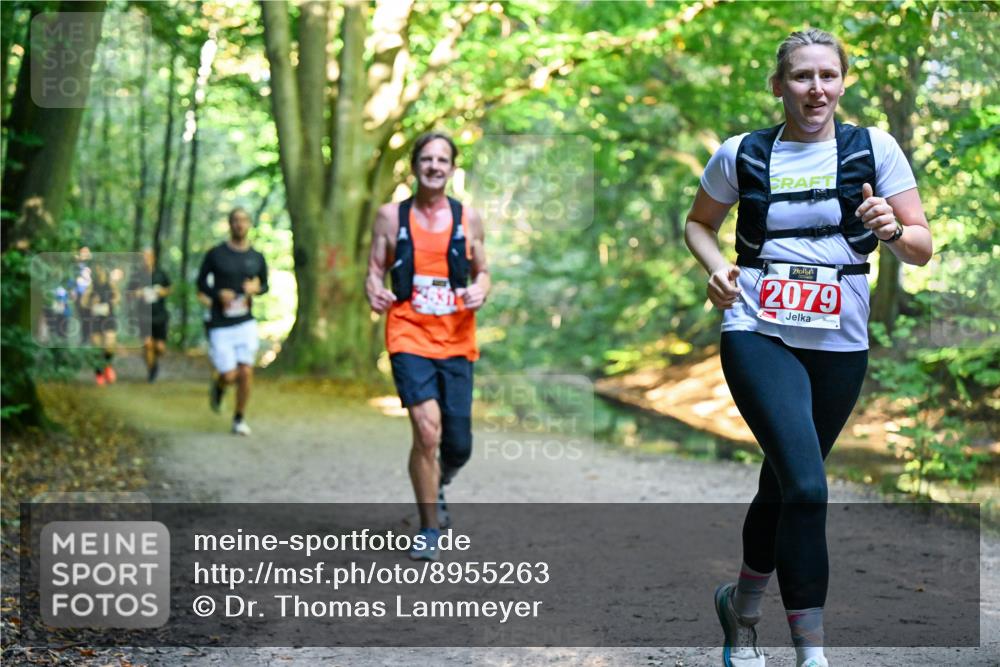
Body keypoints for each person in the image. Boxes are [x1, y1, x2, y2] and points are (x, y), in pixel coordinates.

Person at [683, 28, 932, 667]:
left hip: (839, 338)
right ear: (779, 86)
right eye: (801, 76)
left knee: (788, 483)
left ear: (843, 82)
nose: (815, 88)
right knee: (810, 487)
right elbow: (699, 222)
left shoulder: (876, 149)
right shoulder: (741, 153)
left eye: (827, 75)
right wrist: (716, 268)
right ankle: (812, 654)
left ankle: (739, 613)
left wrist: (894, 227)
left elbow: (921, 246)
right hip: (758, 326)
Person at [366, 132, 490, 561]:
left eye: (442, 159)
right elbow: (374, 271)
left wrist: (480, 290)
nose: (434, 165)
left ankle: (438, 480)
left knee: (458, 445)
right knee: (426, 430)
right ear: (415, 165)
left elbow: (483, 271)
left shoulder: (468, 218)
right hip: (408, 333)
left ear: (452, 168)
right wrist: (374, 291)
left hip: (457, 339)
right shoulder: (390, 216)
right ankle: (430, 528)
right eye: (426, 158)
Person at [196, 207, 269, 435]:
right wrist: (218, 294)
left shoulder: (256, 257)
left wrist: (257, 289)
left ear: (249, 224)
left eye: (244, 220)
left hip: (245, 322)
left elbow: (265, 285)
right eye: (235, 221)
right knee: (229, 375)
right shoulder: (216, 254)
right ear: (229, 224)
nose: (240, 224)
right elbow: (200, 283)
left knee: (246, 371)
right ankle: (219, 385)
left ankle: (239, 418)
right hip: (220, 324)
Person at [128, 248, 172, 382]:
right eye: (143, 257)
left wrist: (161, 291)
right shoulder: (137, 276)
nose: (145, 259)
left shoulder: (161, 274)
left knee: (159, 347)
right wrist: (137, 293)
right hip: (143, 315)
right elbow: (129, 294)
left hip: (160, 316)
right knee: (148, 344)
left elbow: (170, 289)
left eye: (148, 256)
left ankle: (155, 362)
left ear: (153, 258)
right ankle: (151, 371)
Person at [81, 263, 120, 385]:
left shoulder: (110, 284)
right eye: (96, 269)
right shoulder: (91, 286)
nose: (99, 271)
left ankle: (108, 366)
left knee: (109, 345)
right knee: (97, 348)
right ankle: (98, 373)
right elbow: (83, 303)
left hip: (109, 318)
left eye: (101, 268)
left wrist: (113, 302)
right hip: (96, 320)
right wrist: (91, 302)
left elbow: (118, 297)